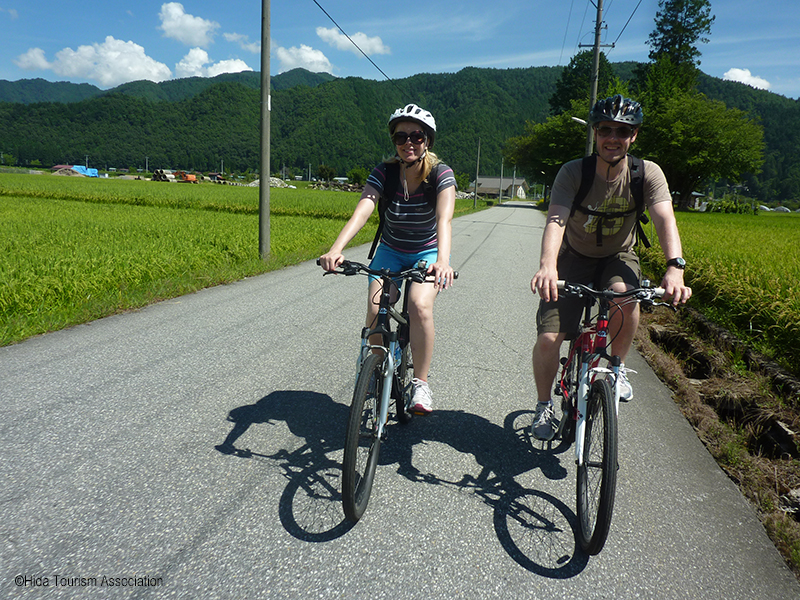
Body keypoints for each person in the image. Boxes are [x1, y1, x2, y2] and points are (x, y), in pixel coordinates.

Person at [530, 94, 692, 441]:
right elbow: (556, 219)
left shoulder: (646, 173)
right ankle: (543, 405)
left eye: (623, 130)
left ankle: (616, 369)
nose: (613, 137)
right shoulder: (575, 172)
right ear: (595, 132)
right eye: (606, 129)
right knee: (548, 338)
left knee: (624, 295)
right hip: (572, 257)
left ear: (634, 136)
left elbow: (665, 217)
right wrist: (547, 266)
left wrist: (674, 266)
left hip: (619, 256)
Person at [319, 104, 457, 414]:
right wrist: (336, 248)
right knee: (376, 305)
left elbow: (444, 219)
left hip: (426, 251)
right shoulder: (384, 171)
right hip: (391, 250)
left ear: (428, 141)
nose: (408, 142)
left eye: (416, 136)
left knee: (419, 305)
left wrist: (443, 261)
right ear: (394, 141)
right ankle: (376, 363)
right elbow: (364, 207)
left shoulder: (440, 173)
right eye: (400, 137)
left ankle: (420, 383)